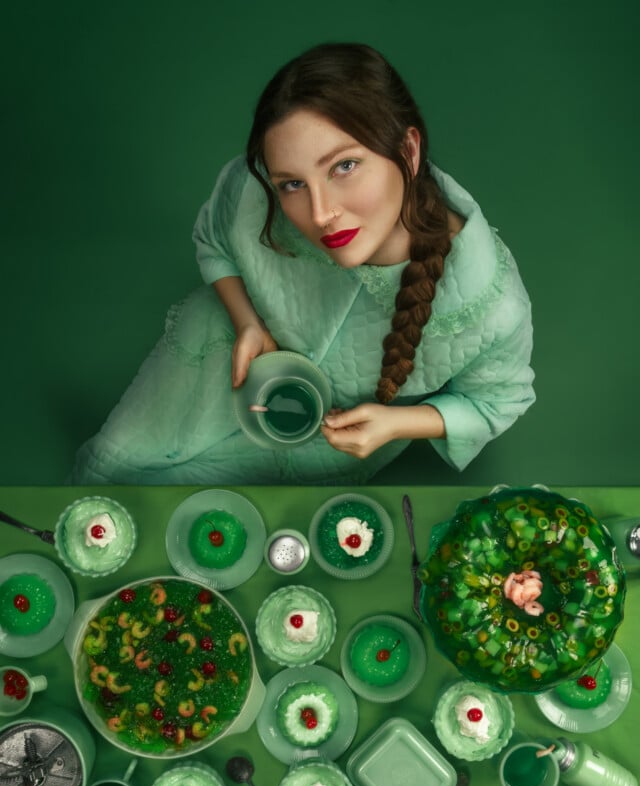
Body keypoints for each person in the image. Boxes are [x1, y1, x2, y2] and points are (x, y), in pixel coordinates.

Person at [71, 42, 535, 485]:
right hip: (209, 364)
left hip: (322, 446)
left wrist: (396, 424)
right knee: (106, 474)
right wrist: (247, 322)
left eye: (344, 167)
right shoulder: (255, 189)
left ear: (408, 151)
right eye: (293, 184)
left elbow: (497, 401)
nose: (319, 214)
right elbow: (214, 238)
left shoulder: (491, 306)